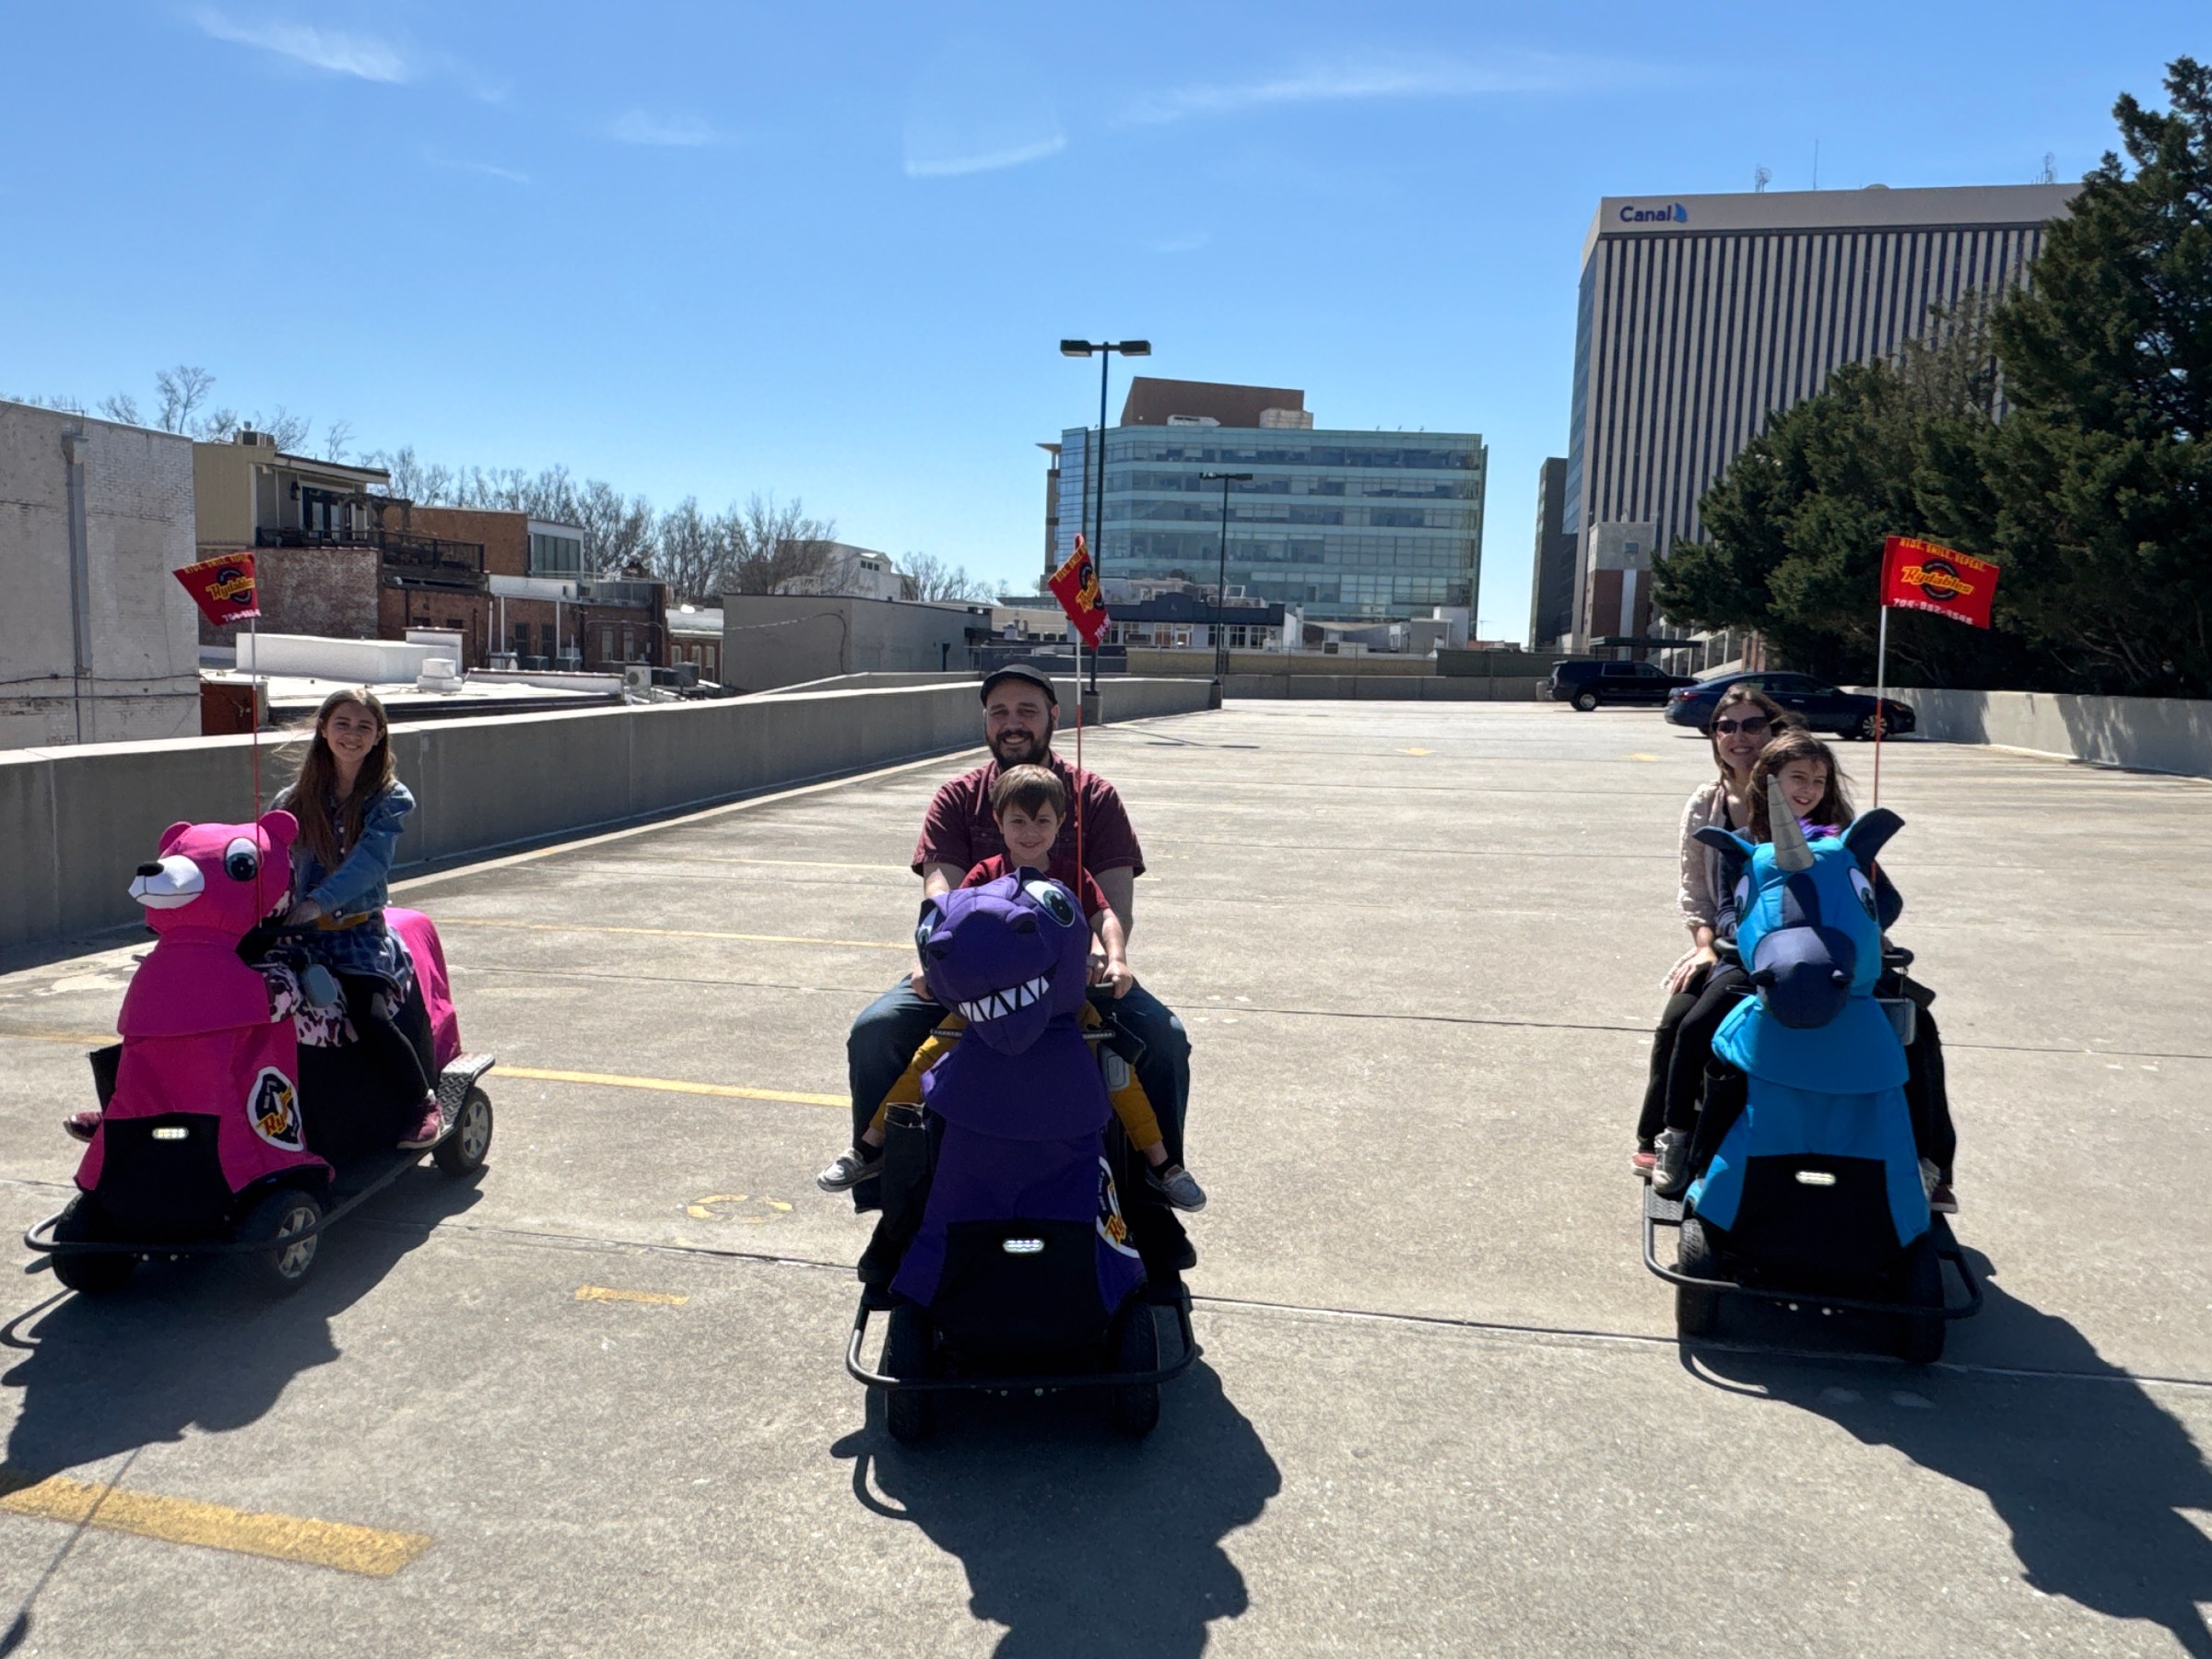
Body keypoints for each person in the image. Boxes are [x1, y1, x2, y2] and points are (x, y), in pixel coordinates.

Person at [835, 665, 1194, 1247]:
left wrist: (1106, 957)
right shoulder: (957, 796)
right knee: (876, 1031)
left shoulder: (1094, 796)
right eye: (999, 712)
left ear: (1054, 716)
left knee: (1163, 1038)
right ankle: (891, 1195)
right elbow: (940, 897)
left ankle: (1152, 1197)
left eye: (1027, 710)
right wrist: (935, 957)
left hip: (1070, 978)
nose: (1012, 724)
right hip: (972, 978)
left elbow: (1113, 905)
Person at [1659, 727, 1960, 1212]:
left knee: (1919, 1032)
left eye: (1819, 781)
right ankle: (1675, 1134)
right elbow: (1729, 914)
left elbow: (1885, 902)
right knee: (1696, 1024)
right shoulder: (1742, 844)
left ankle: (1930, 1161)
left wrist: (1868, 921)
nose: (1809, 789)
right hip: (1761, 964)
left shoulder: (1844, 846)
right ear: (1769, 780)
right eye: (1797, 777)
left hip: (1845, 966)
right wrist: (1745, 939)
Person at [1633, 685, 1796, 1177]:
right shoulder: (1707, 805)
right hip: (1728, 945)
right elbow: (1696, 893)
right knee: (1681, 1022)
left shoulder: (1803, 790)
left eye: (1751, 725)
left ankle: (1925, 1159)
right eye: (1726, 726)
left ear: (1774, 731)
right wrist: (1704, 948)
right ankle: (1663, 1134)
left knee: (1913, 1027)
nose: (1738, 736)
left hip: (1802, 944)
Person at [274, 688, 443, 1151]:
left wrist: (315, 904)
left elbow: (370, 863)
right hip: (296, 934)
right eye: (342, 724)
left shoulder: (389, 798)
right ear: (324, 728)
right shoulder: (294, 797)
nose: (351, 735)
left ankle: (422, 1102)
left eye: (363, 726)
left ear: (378, 736)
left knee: (368, 1015)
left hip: (355, 932)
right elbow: (271, 857)